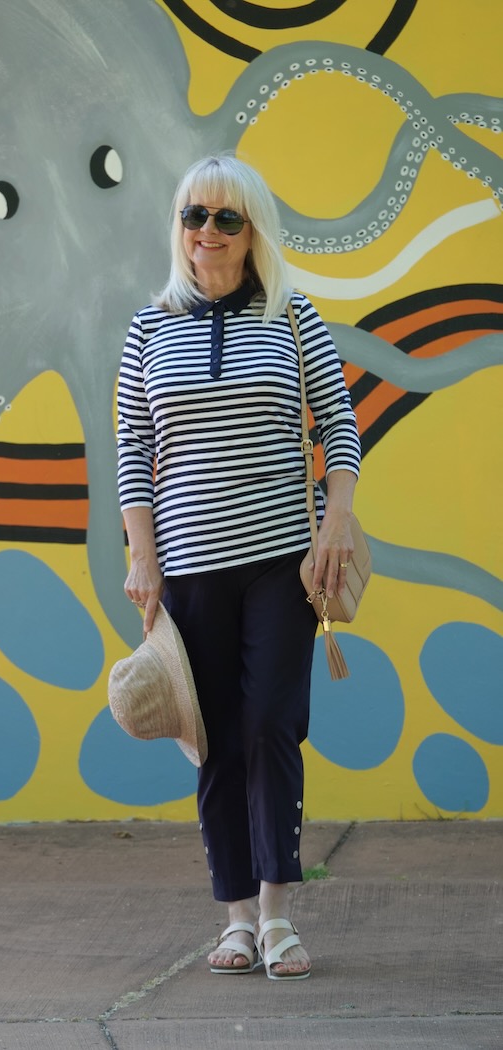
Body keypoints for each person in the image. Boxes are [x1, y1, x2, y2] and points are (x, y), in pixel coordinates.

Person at [115, 153, 361, 980]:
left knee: (270, 724)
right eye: (194, 215)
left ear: (253, 230)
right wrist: (141, 558)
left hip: (280, 565)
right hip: (187, 568)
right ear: (178, 227)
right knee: (213, 738)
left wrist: (337, 522)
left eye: (227, 218)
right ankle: (235, 920)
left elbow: (340, 427)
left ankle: (279, 911)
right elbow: (132, 454)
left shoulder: (294, 316)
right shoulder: (148, 328)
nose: (208, 233)